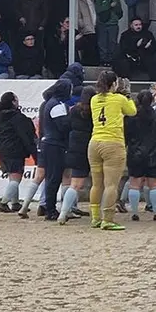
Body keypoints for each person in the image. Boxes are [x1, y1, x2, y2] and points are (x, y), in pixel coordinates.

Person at [89, 71, 136, 230]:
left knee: (96, 184)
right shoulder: (119, 99)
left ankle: (95, 217)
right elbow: (132, 111)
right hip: (113, 143)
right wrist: (127, 94)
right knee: (111, 185)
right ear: (113, 84)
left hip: (95, 142)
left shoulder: (94, 99)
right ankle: (107, 218)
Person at [0, 91, 38, 214]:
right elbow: (26, 137)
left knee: (12, 177)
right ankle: (3, 203)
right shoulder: (18, 118)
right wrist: (34, 153)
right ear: (13, 102)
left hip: (2, 150)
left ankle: (15, 203)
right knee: (16, 178)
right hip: (14, 150)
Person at [124, 89, 156, 223]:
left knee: (134, 183)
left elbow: (126, 135)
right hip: (154, 153)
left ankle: (135, 212)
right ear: (152, 101)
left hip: (135, 153)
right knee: (154, 184)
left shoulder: (130, 117)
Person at [35, 78, 73, 222]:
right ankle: (50, 209)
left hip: (50, 144)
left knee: (52, 177)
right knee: (53, 178)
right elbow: (63, 126)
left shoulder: (51, 103)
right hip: (54, 145)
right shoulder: (57, 106)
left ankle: (49, 207)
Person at [59, 85, 95, 226]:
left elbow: (66, 125)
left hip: (74, 147)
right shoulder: (94, 111)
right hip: (90, 146)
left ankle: (63, 212)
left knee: (74, 184)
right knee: (98, 183)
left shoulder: (74, 110)